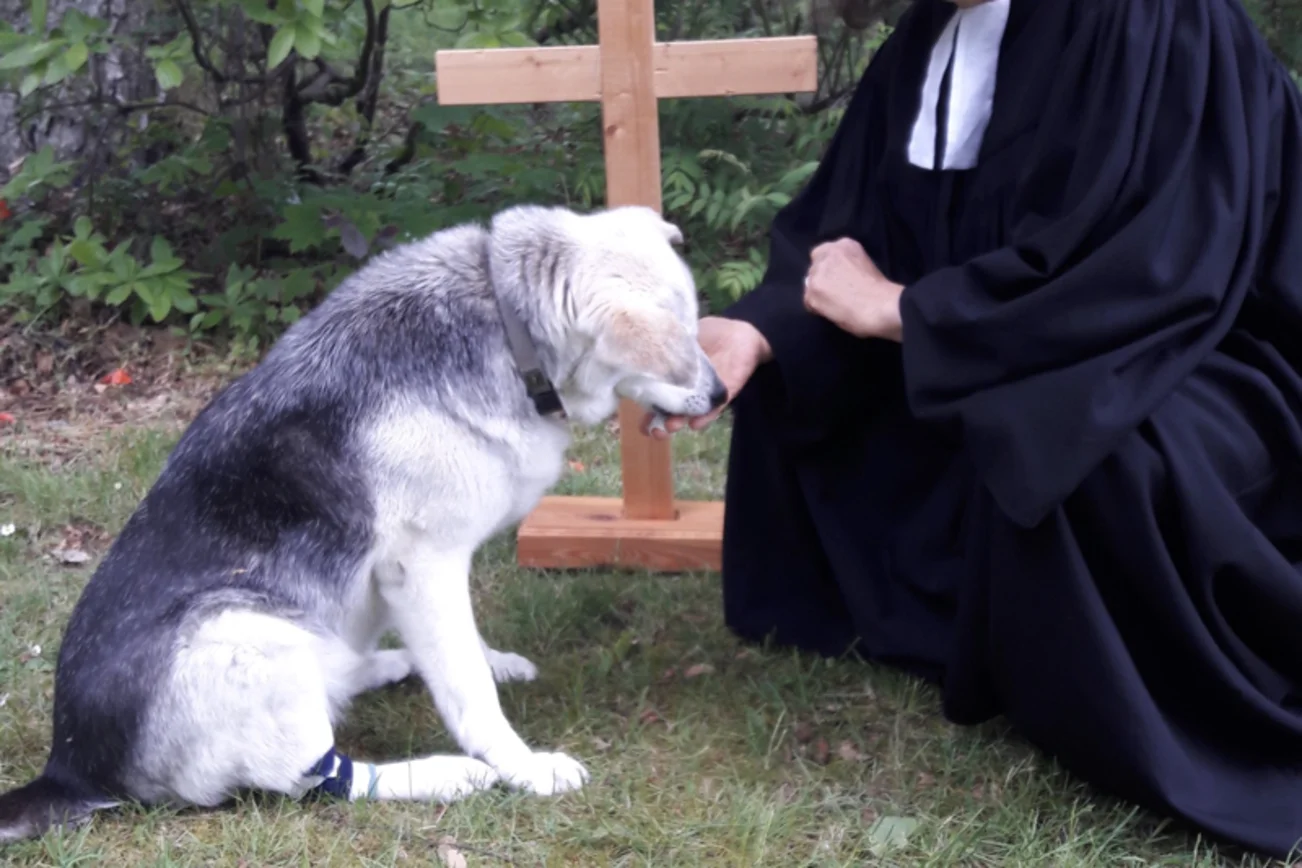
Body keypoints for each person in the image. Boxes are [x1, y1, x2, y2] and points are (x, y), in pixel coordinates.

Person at [648, 0, 1302, 858]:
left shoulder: (1152, 18)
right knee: (795, 377)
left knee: (1081, 447)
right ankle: (970, 617)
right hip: (1019, 342)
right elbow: (854, 232)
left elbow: (1154, 266)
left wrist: (911, 313)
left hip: (1204, 353)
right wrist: (762, 326)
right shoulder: (933, 35)